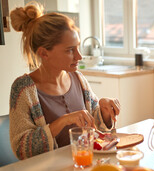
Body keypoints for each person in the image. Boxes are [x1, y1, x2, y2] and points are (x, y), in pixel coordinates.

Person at [9, 2, 120, 160]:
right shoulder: (22, 90)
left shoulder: (78, 79)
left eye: (78, 47)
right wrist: (62, 122)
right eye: (70, 50)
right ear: (44, 53)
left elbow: (97, 126)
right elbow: (21, 149)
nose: (79, 56)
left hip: (83, 166)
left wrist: (104, 111)